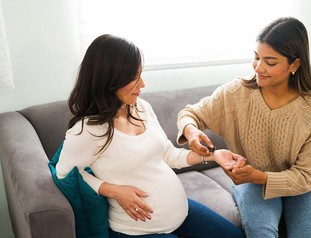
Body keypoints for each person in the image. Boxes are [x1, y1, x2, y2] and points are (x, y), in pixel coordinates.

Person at [55, 34, 245, 238]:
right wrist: (113, 190)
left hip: (181, 213)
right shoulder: (90, 129)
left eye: (141, 74)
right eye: (134, 77)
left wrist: (212, 155)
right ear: (110, 79)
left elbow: (168, 154)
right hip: (138, 230)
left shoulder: (141, 108)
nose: (142, 84)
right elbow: (65, 173)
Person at [177, 17, 311, 237]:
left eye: (270, 62)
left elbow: (307, 176)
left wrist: (261, 177)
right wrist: (191, 130)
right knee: (261, 232)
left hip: (303, 187)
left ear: (295, 65)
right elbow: (190, 114)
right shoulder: (237, 93)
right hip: (251, 182)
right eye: (256, 57)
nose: (259, 68)